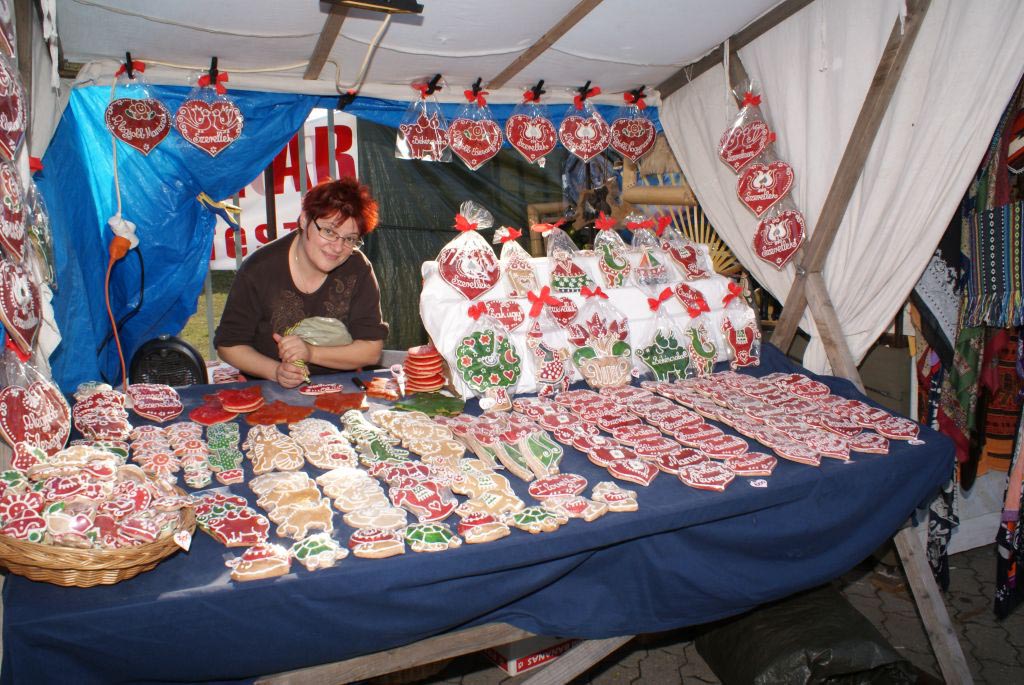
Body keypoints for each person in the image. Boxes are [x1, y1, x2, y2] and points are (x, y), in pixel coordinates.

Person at [214, 177, 389, 388]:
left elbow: (371, 350)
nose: (337, 247)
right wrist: (275, 371)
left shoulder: (358, 268)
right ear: (305, 220)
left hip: (340, 387)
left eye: (350, 239)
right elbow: (229, 345)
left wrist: (311, 353)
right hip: (270, 389)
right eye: (329, 231)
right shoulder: (259, 269)